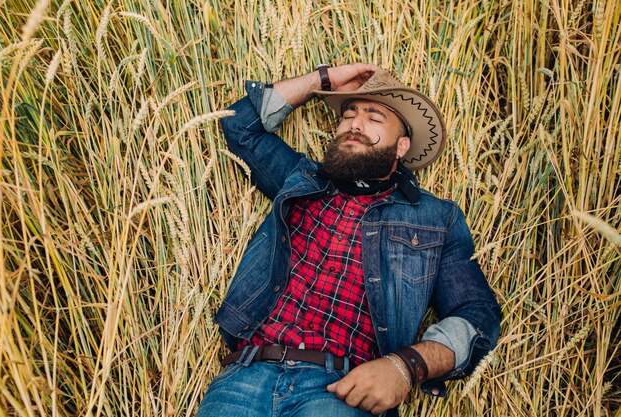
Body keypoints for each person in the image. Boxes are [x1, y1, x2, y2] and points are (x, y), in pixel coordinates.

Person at [196, 63, 501, 417]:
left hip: (340, 392)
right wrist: (322, 80)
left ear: (402, 146)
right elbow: (239, 125)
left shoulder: (435, 218)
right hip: (242, 381)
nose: (355, 123)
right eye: (349, 114)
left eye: (374, 117)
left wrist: (405, 367)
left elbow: (477, 315)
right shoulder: (300, 179)